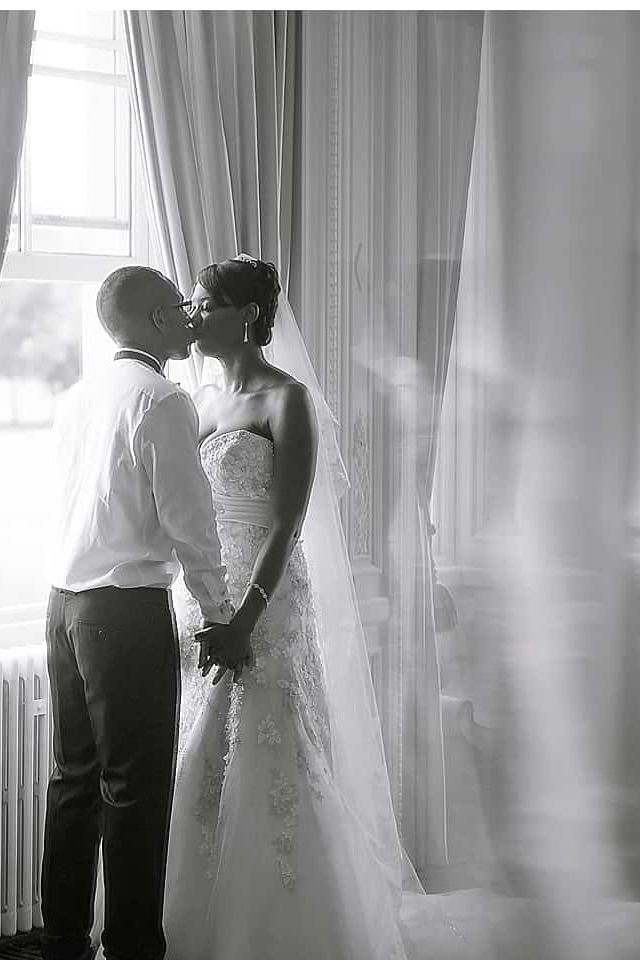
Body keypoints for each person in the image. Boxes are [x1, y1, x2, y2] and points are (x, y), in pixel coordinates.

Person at [162, 254, 415, 958]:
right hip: (203, 599)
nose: (193, 315)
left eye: (206, 303)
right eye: (191, 302)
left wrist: (245, 615)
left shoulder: (286, 400)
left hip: (266, 599)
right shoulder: (201, 402)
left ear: (247, 315)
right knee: (201, 751)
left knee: (270, 746)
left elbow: (286, 524)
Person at [41, 265, 255, 960]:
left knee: (74, 782)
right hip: (124, 616)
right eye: (179, 308)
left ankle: (65, 939)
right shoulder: (163, 400)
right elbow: (191, 525)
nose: (192, 319)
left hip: (62, 607)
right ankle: (133, 949)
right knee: (135, 793)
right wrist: (221, 617)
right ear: (156, 321)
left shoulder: (78, 397)